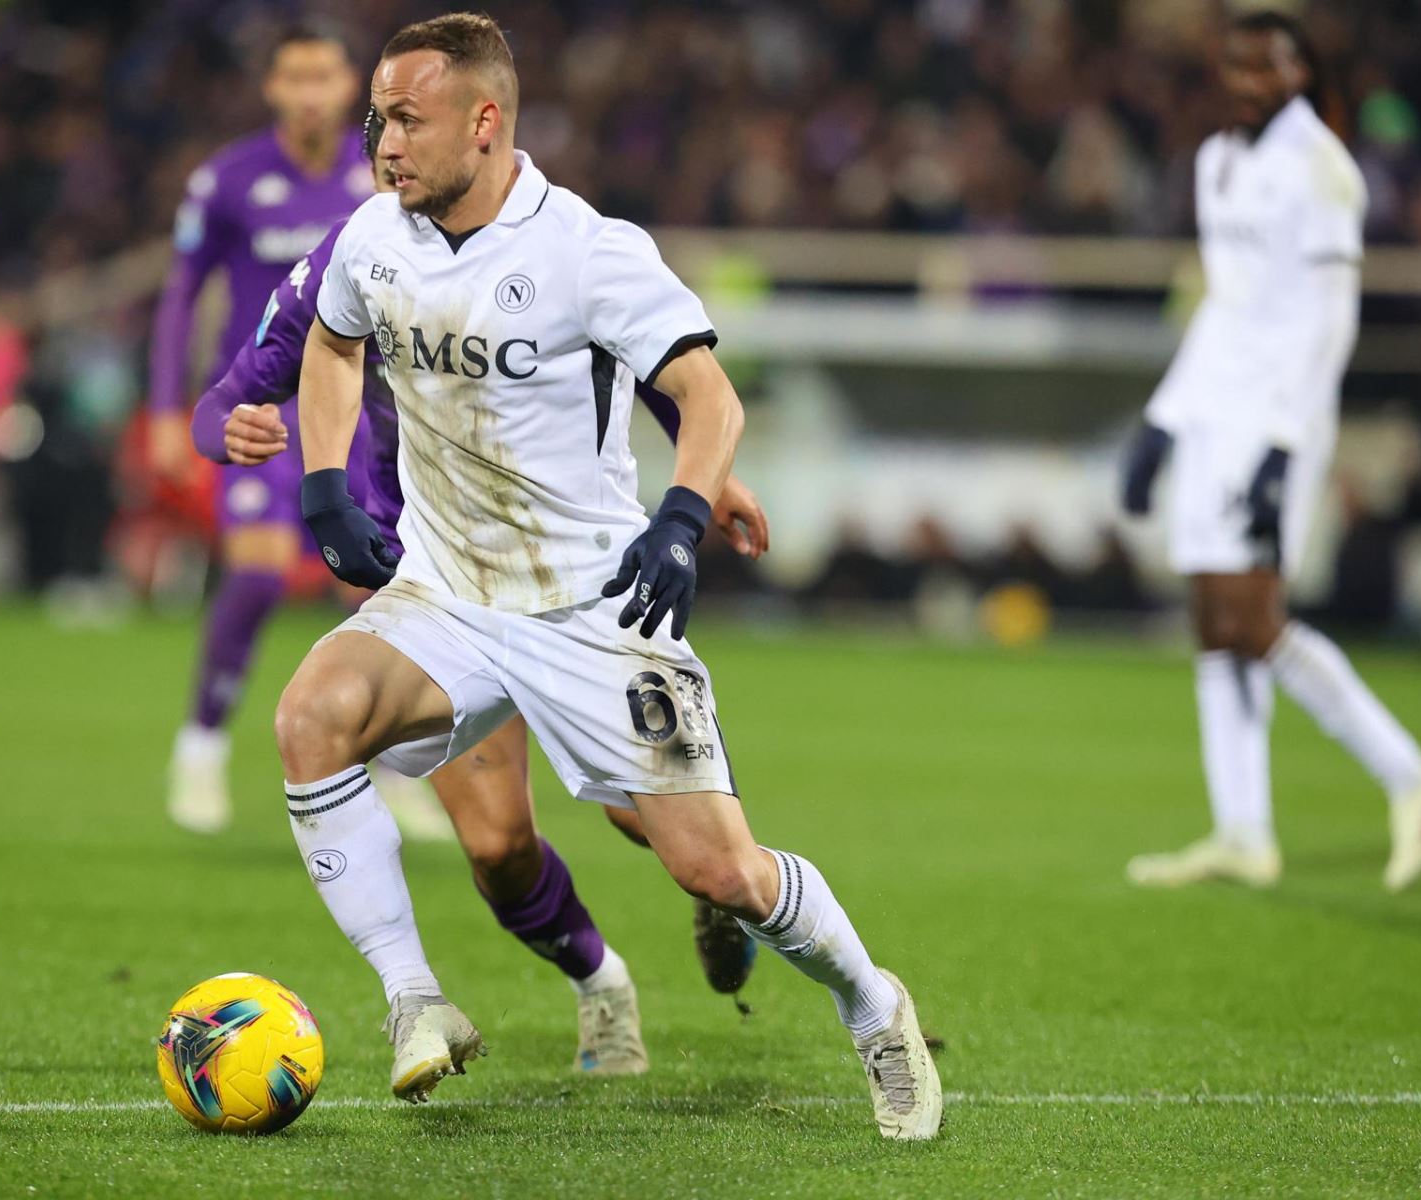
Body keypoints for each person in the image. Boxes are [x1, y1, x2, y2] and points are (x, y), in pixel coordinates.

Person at [241, 13, 940, 1139]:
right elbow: (331, 343)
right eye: (378, 120)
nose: (383, 144)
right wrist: (325, 485)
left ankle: (874, 1005)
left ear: (486, 121)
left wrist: (679, 517)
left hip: (592, 607)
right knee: (312, 721)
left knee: (724, 875)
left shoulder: (587, 249)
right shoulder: (375, 236)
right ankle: (416, 1002)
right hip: (449, 594)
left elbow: (708, 398)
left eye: (406, 120)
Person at [195, 107, 772, 1076]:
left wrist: (700, 473)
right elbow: (233, 390)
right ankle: (601, 985)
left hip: (566, 577)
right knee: (500, 849)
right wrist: (230, 430)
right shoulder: (358, 254)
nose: (394, 163)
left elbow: (610, 346)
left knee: (645, 816)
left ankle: (722, 884)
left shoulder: (537, 245)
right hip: (440, 590)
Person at [1121, 11, 1421, 892]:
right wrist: (1164, 418)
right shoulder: (1218, 159)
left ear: (1301, 73)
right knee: (1212, 620)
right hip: (1215, 411)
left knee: (1250, 616)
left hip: (1278, 417)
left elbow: (1326, 322)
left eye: (1268, 66)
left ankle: (1412, 775)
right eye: (1236, 64)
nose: (1248, 79)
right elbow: (1226, 304)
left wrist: (1282, 445)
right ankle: (1243, 832)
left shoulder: (1321, 171)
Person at [146, 25, 450, 838]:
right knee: (254, 574)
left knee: (382, 589)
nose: (312, 92)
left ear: (349, 86)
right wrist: (168, 408)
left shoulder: (382, 179)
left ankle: (390, 764)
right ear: (274, 89)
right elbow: (181, 295)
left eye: (325, 77)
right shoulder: (228, 180)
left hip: (358, 410)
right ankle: (201, 746)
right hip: (261, 411)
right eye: (296, 77)